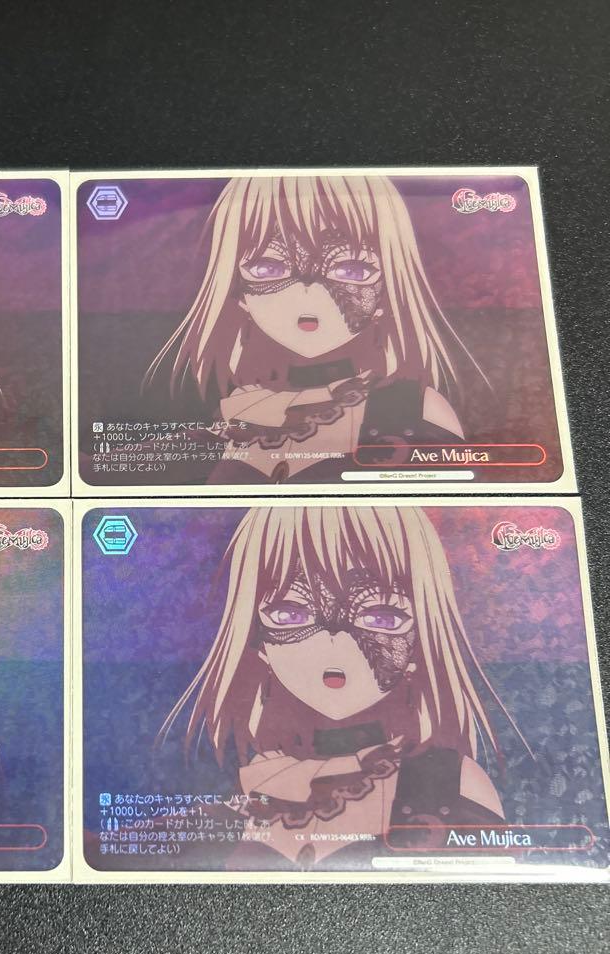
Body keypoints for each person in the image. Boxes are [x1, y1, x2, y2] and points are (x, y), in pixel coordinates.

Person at [158, 505, 515, 868]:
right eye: (290, 614)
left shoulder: (450, 781)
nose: (334, 643)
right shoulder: (255, 784)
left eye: (381, 618)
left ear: (420, 644)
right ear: (257, 641)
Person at [147, 175, 476, 483]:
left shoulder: (412, 408)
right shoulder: (237, 413)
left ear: (387, 294)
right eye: (268, 267)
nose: (308, 291)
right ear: (238, 293)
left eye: (351, 270)